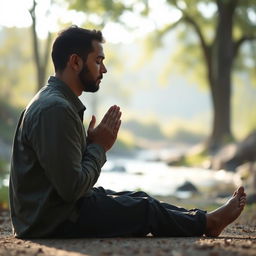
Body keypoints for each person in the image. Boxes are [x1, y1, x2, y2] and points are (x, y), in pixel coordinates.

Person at [9, 26, 247, 239]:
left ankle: (203, 218)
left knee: (138, 198)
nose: (104, 69)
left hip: (51, 212)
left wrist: (88, 146)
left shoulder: (57, 102)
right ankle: (209, 223)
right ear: (75, 62)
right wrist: (99, 148)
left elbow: (64, 175)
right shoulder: (55, 109)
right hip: (52, 221)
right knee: (144, 210)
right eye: (98, 60)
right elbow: (72, 188)